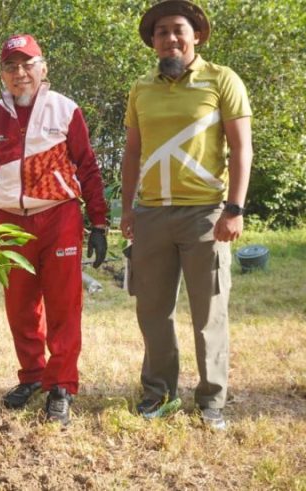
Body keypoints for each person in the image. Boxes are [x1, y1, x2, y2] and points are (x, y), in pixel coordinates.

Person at [120, 0, 252, 430]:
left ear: (196, 35)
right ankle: (158, 393)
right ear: (153, 42)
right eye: (161, 32)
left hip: (205, 215)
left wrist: (234, 209)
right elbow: (133, 152)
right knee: (152, 312)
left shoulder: (221, 79)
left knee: (208, 313)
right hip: (151, 215)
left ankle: (212, 400)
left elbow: (241, 147)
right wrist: (127, 209)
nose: (170, 38)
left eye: (178, 29)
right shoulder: (141, 87)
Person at [0, 35, 108, 425]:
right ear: (2, 75)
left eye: (27, 64)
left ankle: (61, 384)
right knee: (20, 305)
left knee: (64, 303)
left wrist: (98, 221)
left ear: (43, 68)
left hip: (59, 216)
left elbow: (87, 166)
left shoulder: (65, 109)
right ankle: (32, 375)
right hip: (11, 220)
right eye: (11, 67)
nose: (20, 73)